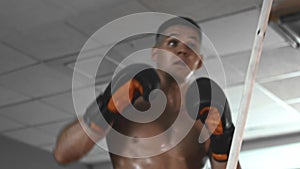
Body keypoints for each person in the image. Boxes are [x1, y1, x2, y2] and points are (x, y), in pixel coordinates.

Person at [54, 16, 241, 169]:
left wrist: (222, 139)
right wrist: (106, 107)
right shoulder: (128, 101)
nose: (182, 50)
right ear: (155, 53)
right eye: (173, 42)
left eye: (190, 45)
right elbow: (63, 154)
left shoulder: (206, 114)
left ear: (198, 61)